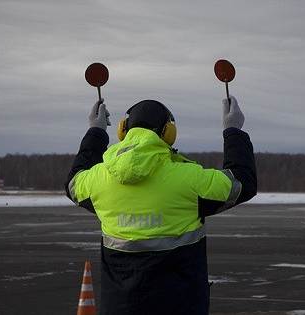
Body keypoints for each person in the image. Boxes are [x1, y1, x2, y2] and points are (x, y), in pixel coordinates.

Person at [65, 96, 257, 314]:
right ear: (168, 133)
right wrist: (233, 131)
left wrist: (96, 132)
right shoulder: (188, 179)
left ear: (122, 130)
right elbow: (242, 183)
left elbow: (73, 184)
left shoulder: (99, 180)